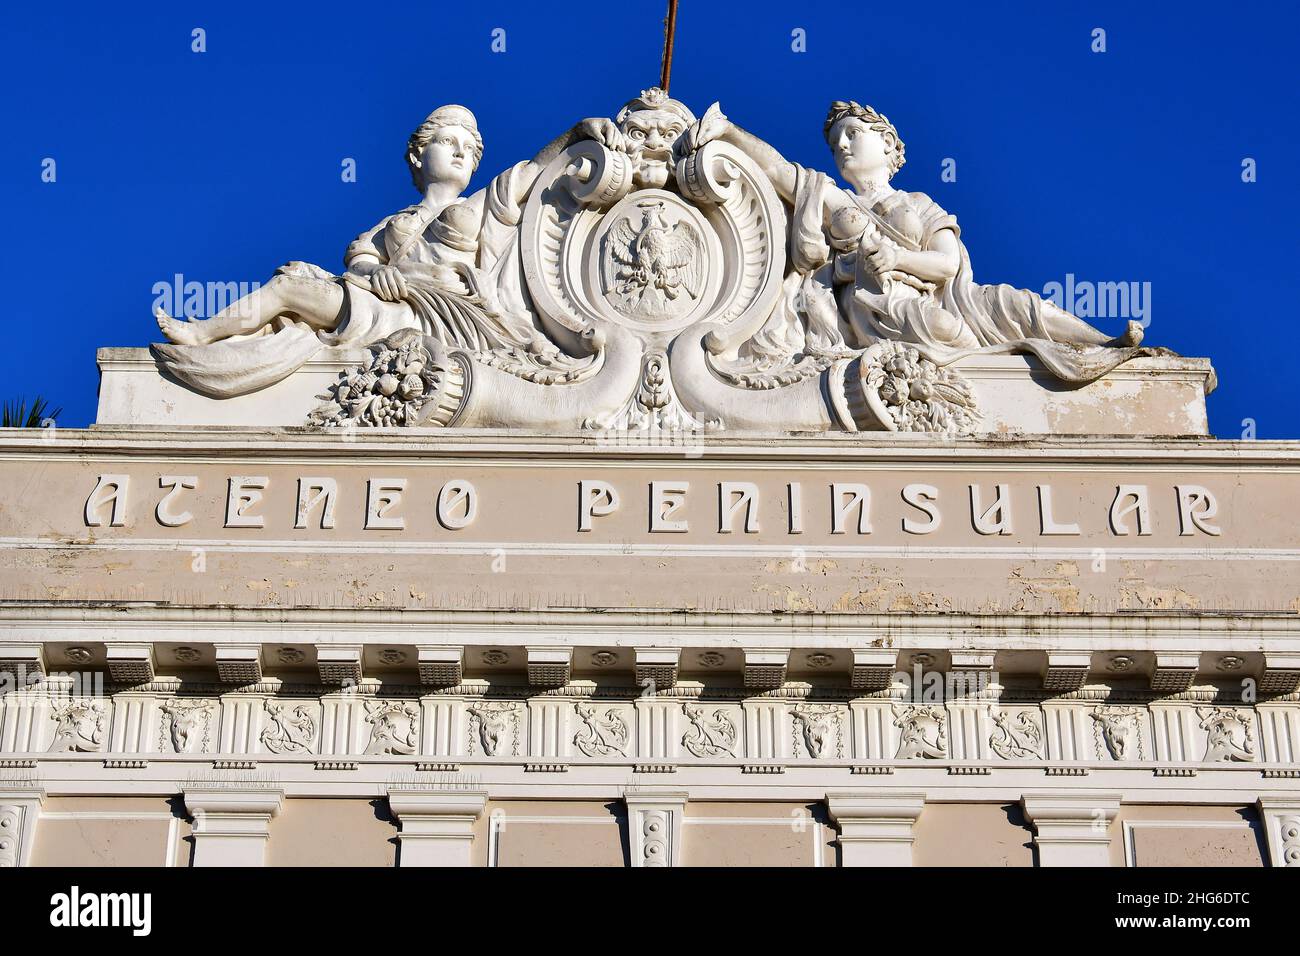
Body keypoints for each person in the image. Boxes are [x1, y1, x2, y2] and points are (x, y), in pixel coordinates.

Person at [684, 100, 1148, 382]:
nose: (842, 145)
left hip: (949, 297)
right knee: (945, 333)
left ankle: (1106, 346)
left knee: (1016, 303)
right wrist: (728, 132)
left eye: (853, 133)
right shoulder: (831, 199)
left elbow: (946, 266)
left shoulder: (920, 203)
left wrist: (899, 256)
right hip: (876, 305)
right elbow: (781, 171)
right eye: (834, 142)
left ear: (888, 145)